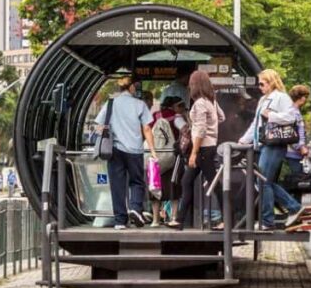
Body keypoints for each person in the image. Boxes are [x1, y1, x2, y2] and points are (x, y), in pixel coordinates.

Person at [239, 69, 304, 229]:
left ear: (271, 82)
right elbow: (256, 123)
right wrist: (243, 140)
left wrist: (272, 116)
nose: (260, 87)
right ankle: (291, 208)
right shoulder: (263, 99)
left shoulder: (281, 97)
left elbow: (291, 117)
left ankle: (269, 220)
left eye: (262, 83)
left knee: (263, 181)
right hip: (263, 144)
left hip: (275, 144)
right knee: (264, 181)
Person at [95, 77, 159, 229]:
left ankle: (120, 221)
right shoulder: (140, 104)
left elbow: (98, 126)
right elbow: (147, 129)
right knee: (137, 181)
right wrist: (153, 151)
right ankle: (136, 208)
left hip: (115, 150)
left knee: (117, 184)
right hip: (135, 150)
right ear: (130, 88)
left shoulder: (110, 104)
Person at [175, 71, 224, 229]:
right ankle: (179, 220)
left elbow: (201, 130)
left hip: (202, 149)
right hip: (209, 146)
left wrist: (194, 153)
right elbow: (221, 117)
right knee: (188, 181)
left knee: (213, 183)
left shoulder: (200, 103)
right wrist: (212, 129)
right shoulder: (211, 101)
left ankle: (226, 219)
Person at [148, 96, 185, 227]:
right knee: (173, 187)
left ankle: (155, 220)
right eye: (181, 106)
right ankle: (173, 217)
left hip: (155, 156)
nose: (182, 109)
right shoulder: (177, 117)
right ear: (174, 106)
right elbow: (185, 130)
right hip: (172, 157)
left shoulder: (154, 116)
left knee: (155, 186)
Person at [285, 85, 311, 177]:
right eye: (306, 97)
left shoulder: (294, 111)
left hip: (295, 152)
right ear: (302, 98)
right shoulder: (293, 112)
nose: (306, 100)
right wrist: (300, 147)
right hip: (294, 153)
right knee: (298, 178)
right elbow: (290, 132)